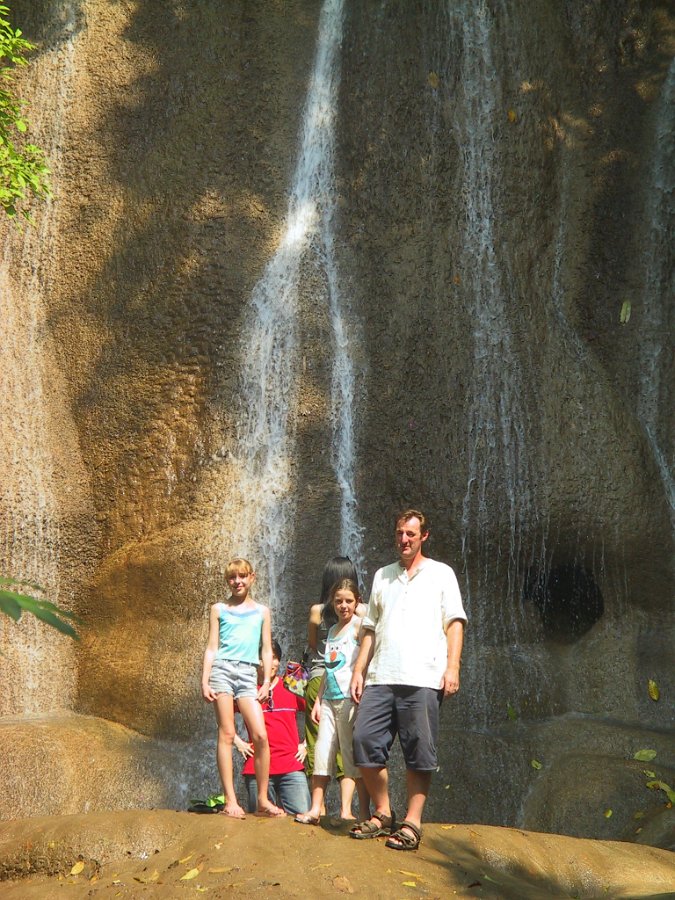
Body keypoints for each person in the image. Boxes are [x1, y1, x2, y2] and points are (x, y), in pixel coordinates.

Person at [349, 509, 467, 851]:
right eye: (400, 533)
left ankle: (413, 822)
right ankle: (384, 812)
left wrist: (453, 666)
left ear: (423, 536)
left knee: (419, 750)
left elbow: (454, 623)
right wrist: (358, 670)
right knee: (363, 740)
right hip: (380, 675)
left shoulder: (441, 574)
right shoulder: (382, 576)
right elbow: (369, 628)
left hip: (423, 676)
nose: (404, 539)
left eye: (411, 534)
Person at [201, 557, 285, 819]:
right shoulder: (218, 609)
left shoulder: (262, 612)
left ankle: (262, 799)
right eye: (232, 577)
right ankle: (230, 800)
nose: (237, 581)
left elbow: (267, 649)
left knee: (260, 735)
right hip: (222, 670)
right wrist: (204, 680)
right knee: (227, 733)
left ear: (252, 577)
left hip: (249, 673)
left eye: (242, 576)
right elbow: (212, 647)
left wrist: (267, 681)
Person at [295, 578, 363, 824]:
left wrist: (360, 609)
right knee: (322, 751)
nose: (343, 606)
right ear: (332, 603)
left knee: (348, 753)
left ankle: (348, 810)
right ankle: (315, 809)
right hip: (328, 699)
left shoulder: (359, 626)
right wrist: (317, 700)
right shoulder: (332, 631)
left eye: (349, 601)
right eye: (338, 601)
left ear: (357, 602)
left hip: (348, 699)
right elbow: (328, 668)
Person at [234, 639, 311, 815]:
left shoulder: (291, 685)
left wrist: (306, 745)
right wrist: (237, 742)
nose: (270, 662)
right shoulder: (246, 691)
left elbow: (318, 714)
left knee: (303, 818)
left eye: (275, 658)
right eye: (262, 658)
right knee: (261, 823)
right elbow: (223, 718)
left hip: (291, 766)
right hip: (256, 768)